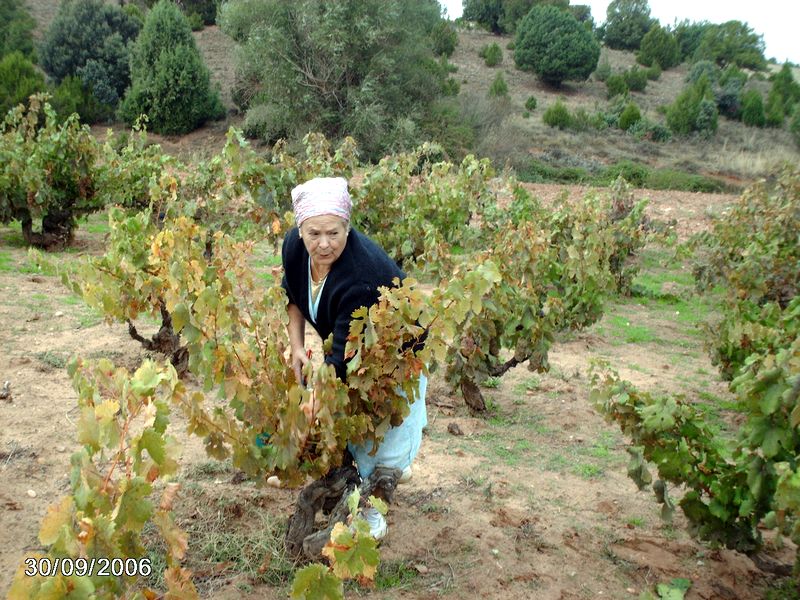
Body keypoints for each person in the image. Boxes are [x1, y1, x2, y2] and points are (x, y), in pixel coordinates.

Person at [280, 176, 427, 539]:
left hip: (395, 353)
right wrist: (296, 346)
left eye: (334, 233)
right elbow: (292, 295)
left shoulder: (361, 275)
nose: (324, 243)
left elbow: (341, 362)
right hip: (352, 349)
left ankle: (375, 507)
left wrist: (311, 409)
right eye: (314, 233)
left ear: (348, 227)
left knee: (385, 424)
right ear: (300, 230)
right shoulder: (294, 248)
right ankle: (355, 477)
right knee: (351, 423)